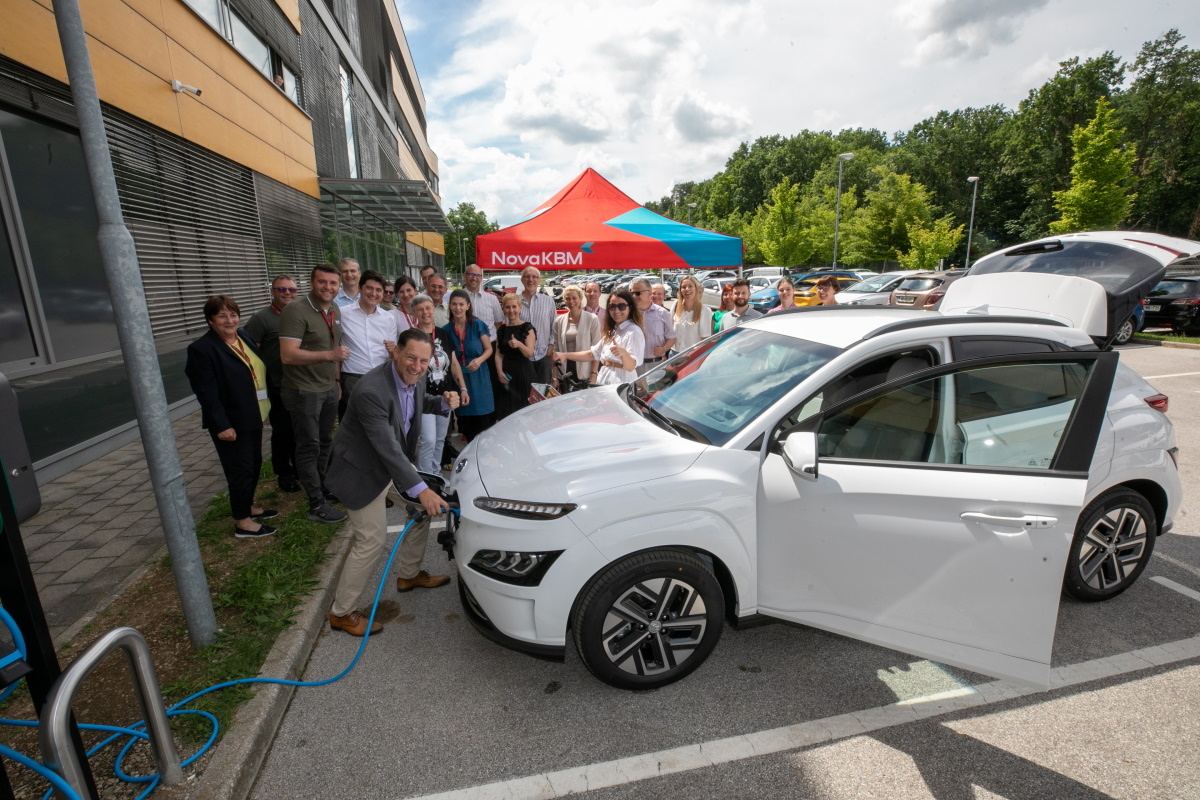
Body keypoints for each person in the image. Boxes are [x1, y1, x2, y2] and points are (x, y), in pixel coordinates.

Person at [325, 328, 460, 636]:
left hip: (388, 467)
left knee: (421, 510)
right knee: (371, 540)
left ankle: (409, 575)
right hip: (361, 470)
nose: (417, 365)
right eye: (411, 357)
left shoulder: (416, 374)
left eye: (423, 360)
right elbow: (387, 448)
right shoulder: (372, 390)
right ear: (396, 353)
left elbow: (417, 401)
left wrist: (441, 403)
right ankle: (341, 613)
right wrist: (422, 489)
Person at [185, 296, 277, 538]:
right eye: (222, 316)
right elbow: (206, 393)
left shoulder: (243, 337)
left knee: (254, 464)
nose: (229, 320)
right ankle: (242, 522)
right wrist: (221, 424)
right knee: (240, 469)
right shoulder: (202, 349)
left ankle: (247, 506)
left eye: (233, 314)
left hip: (254, 414)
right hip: (231, 422)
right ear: (210, 320)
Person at [279, 264, 349, 524]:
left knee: (324, 442)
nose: (328, 287)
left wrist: (337, 380)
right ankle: (316, 504)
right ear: (311, 283)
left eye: (333, 283)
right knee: (308, 446)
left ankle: (322, 488)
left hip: (328, 387)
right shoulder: (295, 311)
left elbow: (335, 344)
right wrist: (329, 356)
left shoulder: (334, 309)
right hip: (303, 391)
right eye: (323, 282)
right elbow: (287, 354)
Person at [242, 274, 300, 493]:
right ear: (272, 292)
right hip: (276, 384)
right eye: (281, 289)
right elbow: (250, 355)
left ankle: (298, 468)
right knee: (282, 431)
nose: (287, 293)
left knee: (298, 429)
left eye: (291, 290)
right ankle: (283, 473)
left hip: (299, 382)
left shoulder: (298, 314)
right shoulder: (261, 319)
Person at [412, 294, 467, 473]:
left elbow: (454, 363)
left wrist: (463, 387)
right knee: (427, 439)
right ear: (414, 312)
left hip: (445, 395)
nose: (425, 312)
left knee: (440, 439)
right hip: (423, 396)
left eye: (428, 308)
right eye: (420, 309)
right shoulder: (411, 336)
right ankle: (424, 479)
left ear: (433, 310)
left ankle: (435, 475)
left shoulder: (443, 333)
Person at [338, 269, 403, 419]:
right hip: (352, 378)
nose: (374, 293)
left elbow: (391, 353)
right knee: (352, 423)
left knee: (378, 421)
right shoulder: (343, 313)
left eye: (378, 290)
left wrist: (393, 351)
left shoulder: (388, 318)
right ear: (360, 289)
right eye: (369, 288)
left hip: (380, 377)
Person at [555, 288, 644, 385]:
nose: (616, 310)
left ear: (630, 307)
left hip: (621, 383)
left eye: (621, 306)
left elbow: (631, 366)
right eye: (612, 307)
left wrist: (624, 353)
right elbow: (592, 354)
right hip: (606, 380)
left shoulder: (634, 331)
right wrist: (564, 355)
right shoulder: (613, 331)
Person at [444, 289, 494, 439]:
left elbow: (489, 349)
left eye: (461, 304)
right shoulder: (446, 330)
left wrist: (479, 360)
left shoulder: (478, 325)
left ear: (468, 306)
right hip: (460, 380)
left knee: (484, 425)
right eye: (454, 304)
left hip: (479, 378)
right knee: (467, 425)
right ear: (450, 306)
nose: (458, 308)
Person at [551, 284, 601, 389]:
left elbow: (597, 350)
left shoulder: (592, 319)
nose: (571, 301)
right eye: (567, 298)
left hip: (585, 371)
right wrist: (554, 377)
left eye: (574, 298)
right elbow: (556, 350)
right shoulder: (559, 321)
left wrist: (594, 373)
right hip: (565, 370)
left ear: (581, 299)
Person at [495, 293, 537, 416]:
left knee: (524, 411)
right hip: (507, 374)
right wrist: (499, 371)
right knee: (507, 410)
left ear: (520, 308)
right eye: (507, 307)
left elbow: (529, 353)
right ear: (503, 310)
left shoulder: (527, 328)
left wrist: (519, 345)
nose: (511, 310)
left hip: (523, 373)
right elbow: (498, 354)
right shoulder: (502, 329)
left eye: (514, 307)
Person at [518, 266, 556, 384]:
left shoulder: (548, 301)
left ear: (539, 280)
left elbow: (554, 326)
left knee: (543, 394)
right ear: (522, 280)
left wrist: (550, 346)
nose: (531, 280)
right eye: (527, 276)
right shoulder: (515, 302)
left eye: (534, 277)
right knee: (524, 395)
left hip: (543, 355)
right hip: (521, 357)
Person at [630, 277, 675, 375]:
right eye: (632, 293)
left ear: (649, 293)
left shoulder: (663, 313)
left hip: (656, 364)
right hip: (634, 366)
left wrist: (663, 349)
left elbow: (672, 337)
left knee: (654, 391)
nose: (634, 296)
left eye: (637, 293)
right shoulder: (628, 313)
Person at [671, 275, 713, 352]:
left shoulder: (704, 310)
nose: (687, 289)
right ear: (680, 290)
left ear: (696, 289)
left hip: (692, 355)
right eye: (683, 287)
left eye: (690, 286)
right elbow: (669, 330)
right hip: (674, 354)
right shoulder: (676, 305)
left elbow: (705, 340)